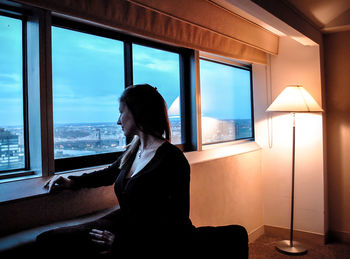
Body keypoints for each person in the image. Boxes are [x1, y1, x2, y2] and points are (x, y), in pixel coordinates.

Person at [36, 84, 194, 258]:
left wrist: (123, 245)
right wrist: (73, 182)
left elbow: (175, 223)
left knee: (54, 243)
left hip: (144, 240)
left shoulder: (172, 160)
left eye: (121, 112)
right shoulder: (134, 150)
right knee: (48, 239)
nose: (118, 121)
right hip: (124, 223)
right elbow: (109, 173)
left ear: (137, 112)